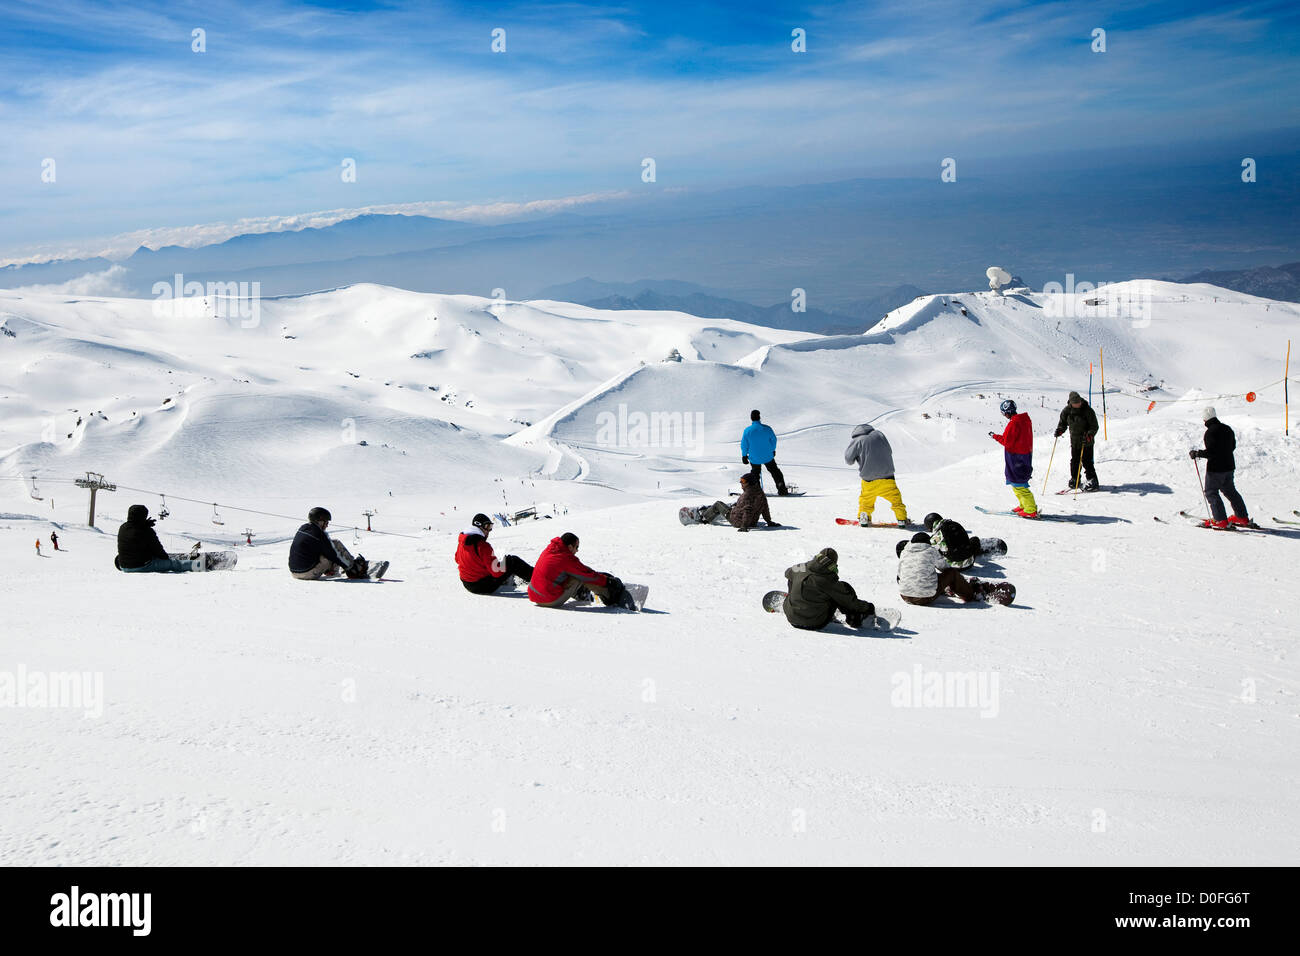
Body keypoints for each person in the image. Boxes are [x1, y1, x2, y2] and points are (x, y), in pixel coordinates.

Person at [528, 532, 636, 609]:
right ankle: (611, 596)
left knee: (572, 574)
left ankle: (582, 594)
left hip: (534, 594)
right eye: (577, 547)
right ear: (570, 547)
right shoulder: (565, 558)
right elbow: (586, 574)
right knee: (578, 577)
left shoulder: (551, 550)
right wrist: (608, 581)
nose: (577, 550)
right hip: (548, 599)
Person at [897, 532, 1007, 605]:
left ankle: (927, 587)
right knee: (952, 573)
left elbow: (899, 576)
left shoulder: (904, 552)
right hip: (925, 598)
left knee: (916, 571)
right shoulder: (930, 551)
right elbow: (945, 568)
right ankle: (970, 593)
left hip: (905, 596)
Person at [782, 547, 876, 630]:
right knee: (842, 589)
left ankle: (796, 599)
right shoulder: (828, 580)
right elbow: (849, 601)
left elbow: (787, 572)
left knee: (793, 578)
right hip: (815, 623)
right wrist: (868, 607)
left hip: (791, 618)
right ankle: (854, 618)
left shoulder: (801, 568)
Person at [1190, 406, 1250, 528]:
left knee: (1211, 492)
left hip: (1216, 469)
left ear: (1205, 420)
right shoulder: (1227, 429)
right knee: (1230, 491)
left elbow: (1211, 452)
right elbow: (1232, 446)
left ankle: (1220, 520)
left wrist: (1197, 453)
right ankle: (1242, 516)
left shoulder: (1210, 432)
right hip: (1229, 466)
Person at [844, 422, 908, 526]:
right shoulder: (879, 435)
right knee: (896, 499)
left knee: (866, 500)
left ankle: (864, 517)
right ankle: (902, 519)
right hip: (887, 477)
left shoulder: (856, 441)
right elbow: (889, 450)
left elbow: (848, 460)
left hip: (868, 479)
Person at [456, 513, 534, 593]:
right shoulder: (483, 546)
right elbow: (496, 572)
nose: (488, 531)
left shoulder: (462, 541)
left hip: (467, 583)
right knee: (513, 561)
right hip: (481, 586)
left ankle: (509, 579)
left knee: (499, 563)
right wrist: (504, 563)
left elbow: (457, 559)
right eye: (487, 526)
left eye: (490, 527)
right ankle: (537, 578)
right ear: (478, 526)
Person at [895, 512, 1003, 568]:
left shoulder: (936, 536)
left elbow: (931, 549)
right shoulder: (955, 524)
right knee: (972, 540)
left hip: (955, 567)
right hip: (971, 560)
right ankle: (979, 548)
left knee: (936, 549)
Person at [990, 399, 1038, 517]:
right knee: (1016, 482)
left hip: (1016, 457)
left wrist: (995, 436)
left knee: (1018, 483)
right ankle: (1024, 505)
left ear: (1007, 412)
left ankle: (1030, 509)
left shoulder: (1014, 423)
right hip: (1023, 455)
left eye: (1003, 412)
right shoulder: (1023, 420)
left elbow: (1007, 442)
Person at [288, 507, 366, 580]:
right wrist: (349, 568)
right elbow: (334, 555)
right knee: (333, 549)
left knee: (332, 544)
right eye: (326, 522)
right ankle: (353, 569)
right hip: (307, 573)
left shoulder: (304, 528)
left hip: (294, 572)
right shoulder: (319, 534)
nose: (327, 525)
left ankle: (335, 569)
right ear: (320, 521)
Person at [684, 474, 779, 531]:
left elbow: (748, 510)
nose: (741, 483)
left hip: (736, 520)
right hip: (751, 521)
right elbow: (764, 508)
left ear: (749, 483)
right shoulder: (760, 493)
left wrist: (744, 526)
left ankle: (704, 518)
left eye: (743, 481)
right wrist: (769, 521)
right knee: (734, 505)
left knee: (718, 504)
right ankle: (716, 511)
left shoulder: (747, 495)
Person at [116, 504, 194, 573]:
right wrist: (166, 559)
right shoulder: (146, 531)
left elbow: (135, 533)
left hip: (124, 566)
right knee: (174, 564)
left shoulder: (123, 527)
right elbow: (158, 550)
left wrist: (144, 524)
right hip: (141, 566)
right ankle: (199, 564)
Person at [1054, 391, 1100, 490]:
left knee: (1087, 461)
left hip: (1086, 442)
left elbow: (1094, 426)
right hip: (1075, 441)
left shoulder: (1088, 410)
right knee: (1075, 461)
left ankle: (1093, 481)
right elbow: (1063, 423)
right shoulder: (1067, 411)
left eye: (1079, 402)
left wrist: (1089, 435)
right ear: (1071, 403)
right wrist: (1060, 430)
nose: (1078, 404)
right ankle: (1075, 479)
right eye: (1075, 403)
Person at [741, 409, 790, 495]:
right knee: (775, 471)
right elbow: (773, 440)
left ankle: (757, 492)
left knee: (755, 474)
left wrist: (744, 456)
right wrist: (772, 450)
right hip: (767, 456)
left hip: (754, 457)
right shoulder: (767, 429)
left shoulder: (747, 430)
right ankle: (781, 488)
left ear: (751, 418)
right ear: (759, 417)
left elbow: (744, 445)